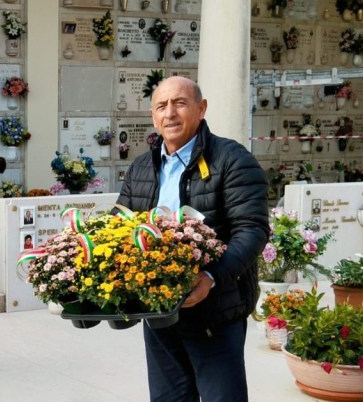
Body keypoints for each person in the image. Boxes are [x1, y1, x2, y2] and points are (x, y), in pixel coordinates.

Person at [115, 76, 268, 402]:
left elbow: (252, 229)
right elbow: (119, 228)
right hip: (158, 313)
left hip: (214, 311)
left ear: (201, 109)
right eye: (161, 106)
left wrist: (210, 276)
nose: (170, 113)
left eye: (179, 103)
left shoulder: (231, 159)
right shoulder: (141, 168)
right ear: (153, 116)